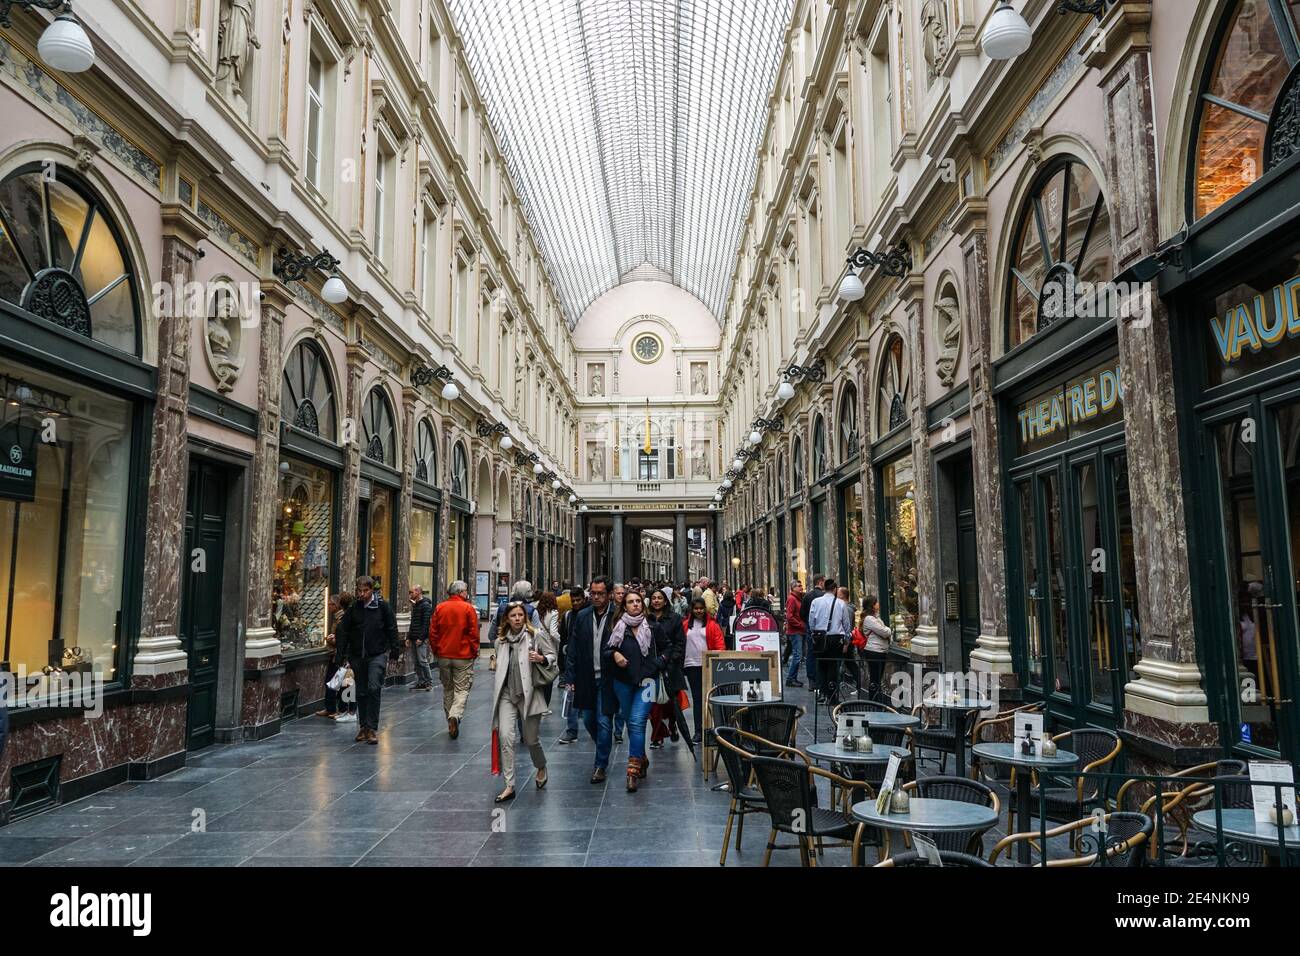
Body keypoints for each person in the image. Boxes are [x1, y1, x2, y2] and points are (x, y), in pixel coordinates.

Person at [489, 601, 557, 803]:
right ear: (507, 619)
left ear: (524, 617)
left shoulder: (535, 635)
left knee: (530, 739)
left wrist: (541, 658)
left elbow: (552, 656)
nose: (517, 618)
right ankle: (509, 785)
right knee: (506, 738)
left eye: (520, 615)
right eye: (513, 616)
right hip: (506, 695)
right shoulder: (500, 641)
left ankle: (541, 766)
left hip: (529, 694)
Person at [602, 590, 666, 792]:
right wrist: (615, 655)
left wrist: (658, 662)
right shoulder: (616, 626)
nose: (635, 604)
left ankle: (632, 771)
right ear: (624, 606)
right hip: (623, 682)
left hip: (647, 681)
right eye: (631, 602)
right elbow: (606, 650)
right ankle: (642, 758)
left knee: (637, 722)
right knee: (631, 723)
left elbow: (669, 648)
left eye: (638, 601)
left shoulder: (653, 626)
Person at [564, 576, 617, 782]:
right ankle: (603, 745)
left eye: (600, 593)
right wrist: (570, 676)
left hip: (607, 678)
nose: (595, 597)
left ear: (609, 594)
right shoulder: (583, 616)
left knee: (604, 722)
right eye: (593, 593)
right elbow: (573, 648)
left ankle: (600, 765)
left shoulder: (616, 616)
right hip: (586, 677)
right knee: (588, 720)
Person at [336, 576, 400, 744]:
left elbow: (392, 628)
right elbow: (343, 631)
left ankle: (372, 728)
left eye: (365, 591)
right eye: (359, 591)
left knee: (373, 687)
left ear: (372, 590)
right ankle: (363, 727)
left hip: (377, 654)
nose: (362, 594)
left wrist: (394, 651)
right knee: (361, 692)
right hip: (357, 656)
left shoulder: (382, 607)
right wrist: (341, 655)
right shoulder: (354, 608)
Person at [431, 579, 480, 739]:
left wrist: (437, 650)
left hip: (444, 654)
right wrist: (474, 651)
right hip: (463, 655)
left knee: (448, 688)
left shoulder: (440, 608)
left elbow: (433, 632)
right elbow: (473, 633)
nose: (467, 594)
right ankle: (455, 715)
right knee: (462, 688)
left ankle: (450, 719)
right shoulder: (467, 608)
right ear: (460, 592)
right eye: (465, 591)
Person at [682, 596, 726, 743]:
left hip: (708, 664)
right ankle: (698, 731)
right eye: (696, 608)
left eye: (701, 608)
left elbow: (720, 643)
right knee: (697, 699)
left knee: (710, 698)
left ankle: (713, 729)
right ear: (692, 609)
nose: (699, 611)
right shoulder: (686, 624)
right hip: (691, 665)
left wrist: (719, 659)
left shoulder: (712, 625)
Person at [645, 587, 683, 749]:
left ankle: (672, 723)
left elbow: (680, 642)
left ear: (665, 600)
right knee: (653, 705)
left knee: (670, 704)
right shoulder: (645, 619)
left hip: (670, 667)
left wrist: (672, 659)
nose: (656, 601)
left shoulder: (674, 618)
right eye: (654, 598)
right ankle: (657, 736)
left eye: (660, 598)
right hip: (651, 668)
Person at [807, 578, 851, 706]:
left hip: (820, 636)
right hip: (835, 638)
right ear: (835, 589)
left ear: (824, 588)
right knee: (833, 666)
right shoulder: (841, 604)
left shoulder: (816, 602)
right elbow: (846, 624)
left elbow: (811, 621)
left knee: (820, 665)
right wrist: (847, 640)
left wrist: (814, 634)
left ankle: (822, 693)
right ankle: (832, 696)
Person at [557, 587, 587, 744]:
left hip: (588, 661)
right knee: (570, 697)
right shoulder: (568, 616)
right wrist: (562, 664)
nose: (575, 603)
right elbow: (563, 639)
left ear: (584, 599)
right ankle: (571, 730)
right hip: (572, 660)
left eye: (578, 600)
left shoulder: (590, 614)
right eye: (573, 601)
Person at [854, 595, 891, 701]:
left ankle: (876, 700)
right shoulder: (869, 619)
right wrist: (888, 630)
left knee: (877, 678)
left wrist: (885, 629)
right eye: (876, 603)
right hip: (874, 651)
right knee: (875, 678)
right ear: (872, 605)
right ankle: (874, 701)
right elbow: (885, 632)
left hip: (879, 651)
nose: (878, 604)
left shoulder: (875, 617)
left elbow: (883, 630)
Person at [800, 573, 826, 692]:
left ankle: (812, 680)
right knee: (823, 654)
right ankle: (822, 680)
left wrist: (808, 624)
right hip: (824, 629)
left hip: (811, 629)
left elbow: (802, 613)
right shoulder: (825, 596)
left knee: (811, 653)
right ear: (820, 582)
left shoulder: (807, 596)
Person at [535, 591, 562, 708]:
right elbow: (553, 632)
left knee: (539, 672)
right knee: (549, 674)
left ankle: (538, 703)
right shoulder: (554, 613)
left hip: (538, 644)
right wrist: (562, 641)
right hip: (549, 645)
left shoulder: (537, 611)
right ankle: (545, 705)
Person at [406, 585, 434, 691]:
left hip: (420, 638)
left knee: (422, 661)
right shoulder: (416, 605)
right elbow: (413, 623)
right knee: (416, 661)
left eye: (411, 592)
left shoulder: (426, 605)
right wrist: (409, 637)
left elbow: (426, 624)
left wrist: (421, 638)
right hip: (413, 637)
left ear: (418, 592)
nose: (410, 594)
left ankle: (429, 682)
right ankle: (421, 681)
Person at [784, 579, 808, 688]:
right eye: (798, 586)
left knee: (798, 655)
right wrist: (800, 625)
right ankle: (790, 678)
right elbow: (789, 616)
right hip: (795, 631)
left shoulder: (799, 598)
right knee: (797, 656)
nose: (801, 587)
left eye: (801, 585)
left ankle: (793, 678)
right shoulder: (792, 599)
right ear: (793, 588)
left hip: (799, 631)